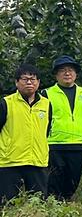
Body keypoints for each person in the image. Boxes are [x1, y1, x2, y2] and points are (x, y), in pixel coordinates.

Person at [42, 55, 82, 201]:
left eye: (70, 70)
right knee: (54, 180)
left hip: (77, 144)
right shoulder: (46, 93)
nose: (67, 73)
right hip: (55, 144)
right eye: (62, 70)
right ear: (56, 74)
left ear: (76, 74)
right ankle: (53, 206)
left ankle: (65, 203)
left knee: (73, 179)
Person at [0, 64, 52, 204]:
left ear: (38, 82)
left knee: (38, 203)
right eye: (25, 79)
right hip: (10, 162)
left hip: (37, 161)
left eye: (33, 79)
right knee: (7, 204)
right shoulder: (6, 103)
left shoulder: (46, 104)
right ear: (17, 82)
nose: (29, 82)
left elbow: (46, 130)